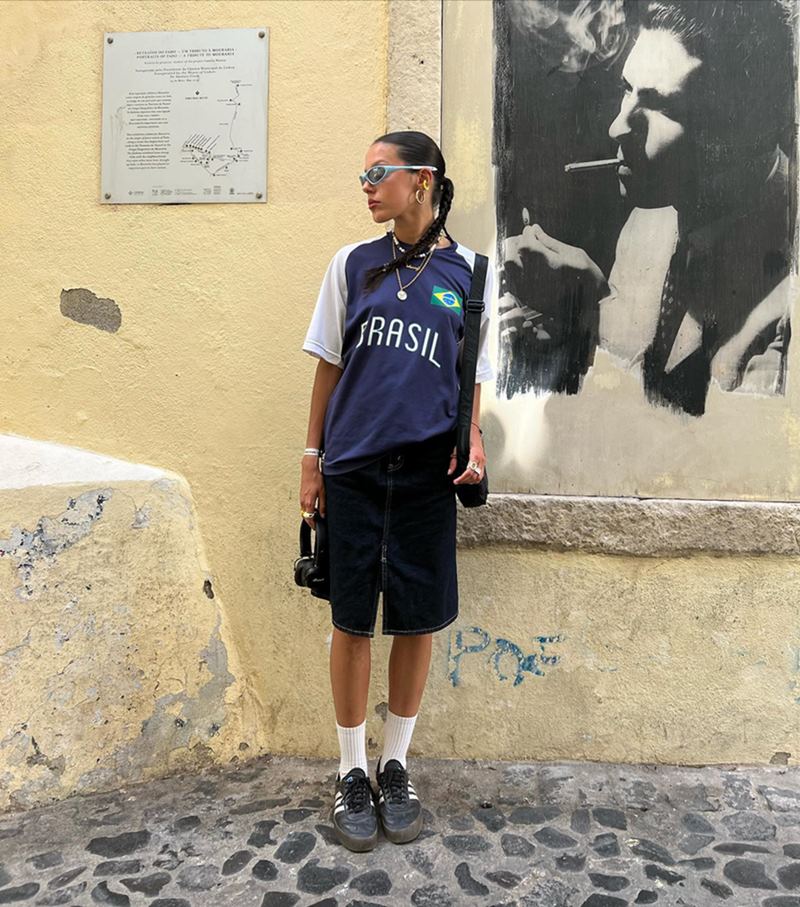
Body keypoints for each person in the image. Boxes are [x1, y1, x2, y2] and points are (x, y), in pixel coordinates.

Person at [299, 131, 494, 851]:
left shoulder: (472, 271)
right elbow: (327, 365)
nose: (366, 183)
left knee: (415, 619)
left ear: (422, 181)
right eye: (364, 172)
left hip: (424, 475)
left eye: (377, 172)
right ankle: (351, 769)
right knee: (352, 620)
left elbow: (472, 373)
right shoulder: (352, 264)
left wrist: (472, 438)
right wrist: (311, 459)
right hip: (352, 467)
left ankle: (395, 764)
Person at [501, 0, 794, 415]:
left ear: (742, 129)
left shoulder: (785, 311)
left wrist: (589, 308)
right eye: (627, 89)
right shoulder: (651, 215)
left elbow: (706, 454)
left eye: (662, 107)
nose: (616, 127)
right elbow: (639, 367)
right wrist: (580, 316)